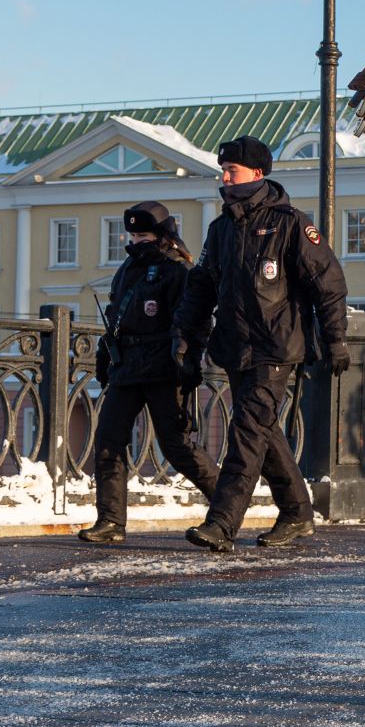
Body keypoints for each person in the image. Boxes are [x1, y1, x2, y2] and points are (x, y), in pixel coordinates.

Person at [172, 136, 351, 552]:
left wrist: (336, 338)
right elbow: (200, 289)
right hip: (236, 347)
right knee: (263, 432)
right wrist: (185, 338)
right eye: (223, 170)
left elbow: (329, 283)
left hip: (277, 347)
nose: (224, 177)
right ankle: (297, 512)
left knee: (247, 432)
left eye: (231, 171)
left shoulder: (291, 224)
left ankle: (221, 524)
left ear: (256, 174)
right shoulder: (221, 230)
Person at [77, 202, 221, 544]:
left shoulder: (177, 271)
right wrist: (103, 356)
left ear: (162, 235)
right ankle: (110, 522)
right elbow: (115, 317)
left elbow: (195, 321)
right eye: (133, 235)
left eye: (142, 235)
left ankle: (228, 504)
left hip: (163, 368)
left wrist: (188, 362)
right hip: (126, 367)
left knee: (176, 446)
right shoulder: (128, 268)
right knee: (108, 442)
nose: (136, 241)